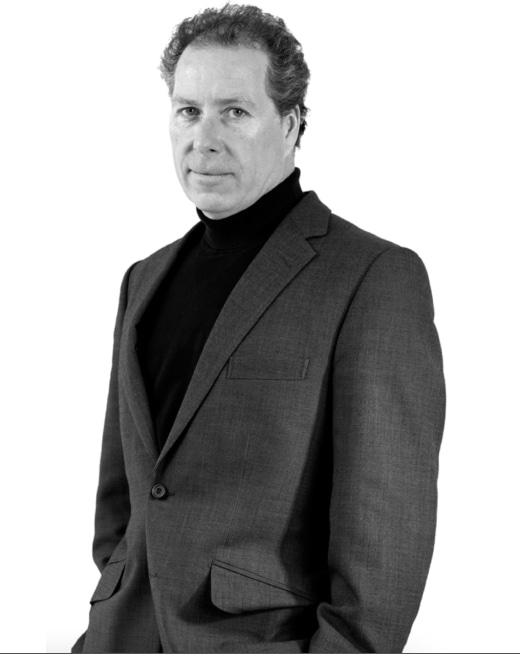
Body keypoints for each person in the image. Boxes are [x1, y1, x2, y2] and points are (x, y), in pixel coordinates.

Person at [72, 4, 445, 653]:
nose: (204, 138)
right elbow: (123, 505)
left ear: (291, 124)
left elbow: (383, 554)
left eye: (235, 112)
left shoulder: (371, 278)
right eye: (188, 111)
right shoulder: (144, 279)